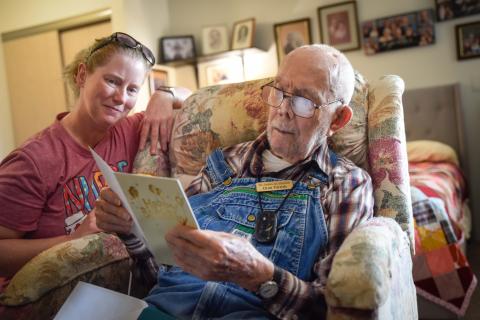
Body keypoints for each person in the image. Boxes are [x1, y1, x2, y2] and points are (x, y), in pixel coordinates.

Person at [96, 44, 374, 319]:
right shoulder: (222, 164)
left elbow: (336, 310)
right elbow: (161, 274)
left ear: (338, 119)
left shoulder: (345, 185)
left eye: (304, 101)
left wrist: (260, 276)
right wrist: (131, 233)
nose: (282, 110)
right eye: (279, 92)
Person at [0, 32, 184, 280]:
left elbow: (197, 97)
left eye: (132, 89)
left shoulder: (131, 130)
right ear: (82, 75)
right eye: (112, 81)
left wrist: (165, 95)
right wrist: (73, 240)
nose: (121, 98)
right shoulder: (34, 159)